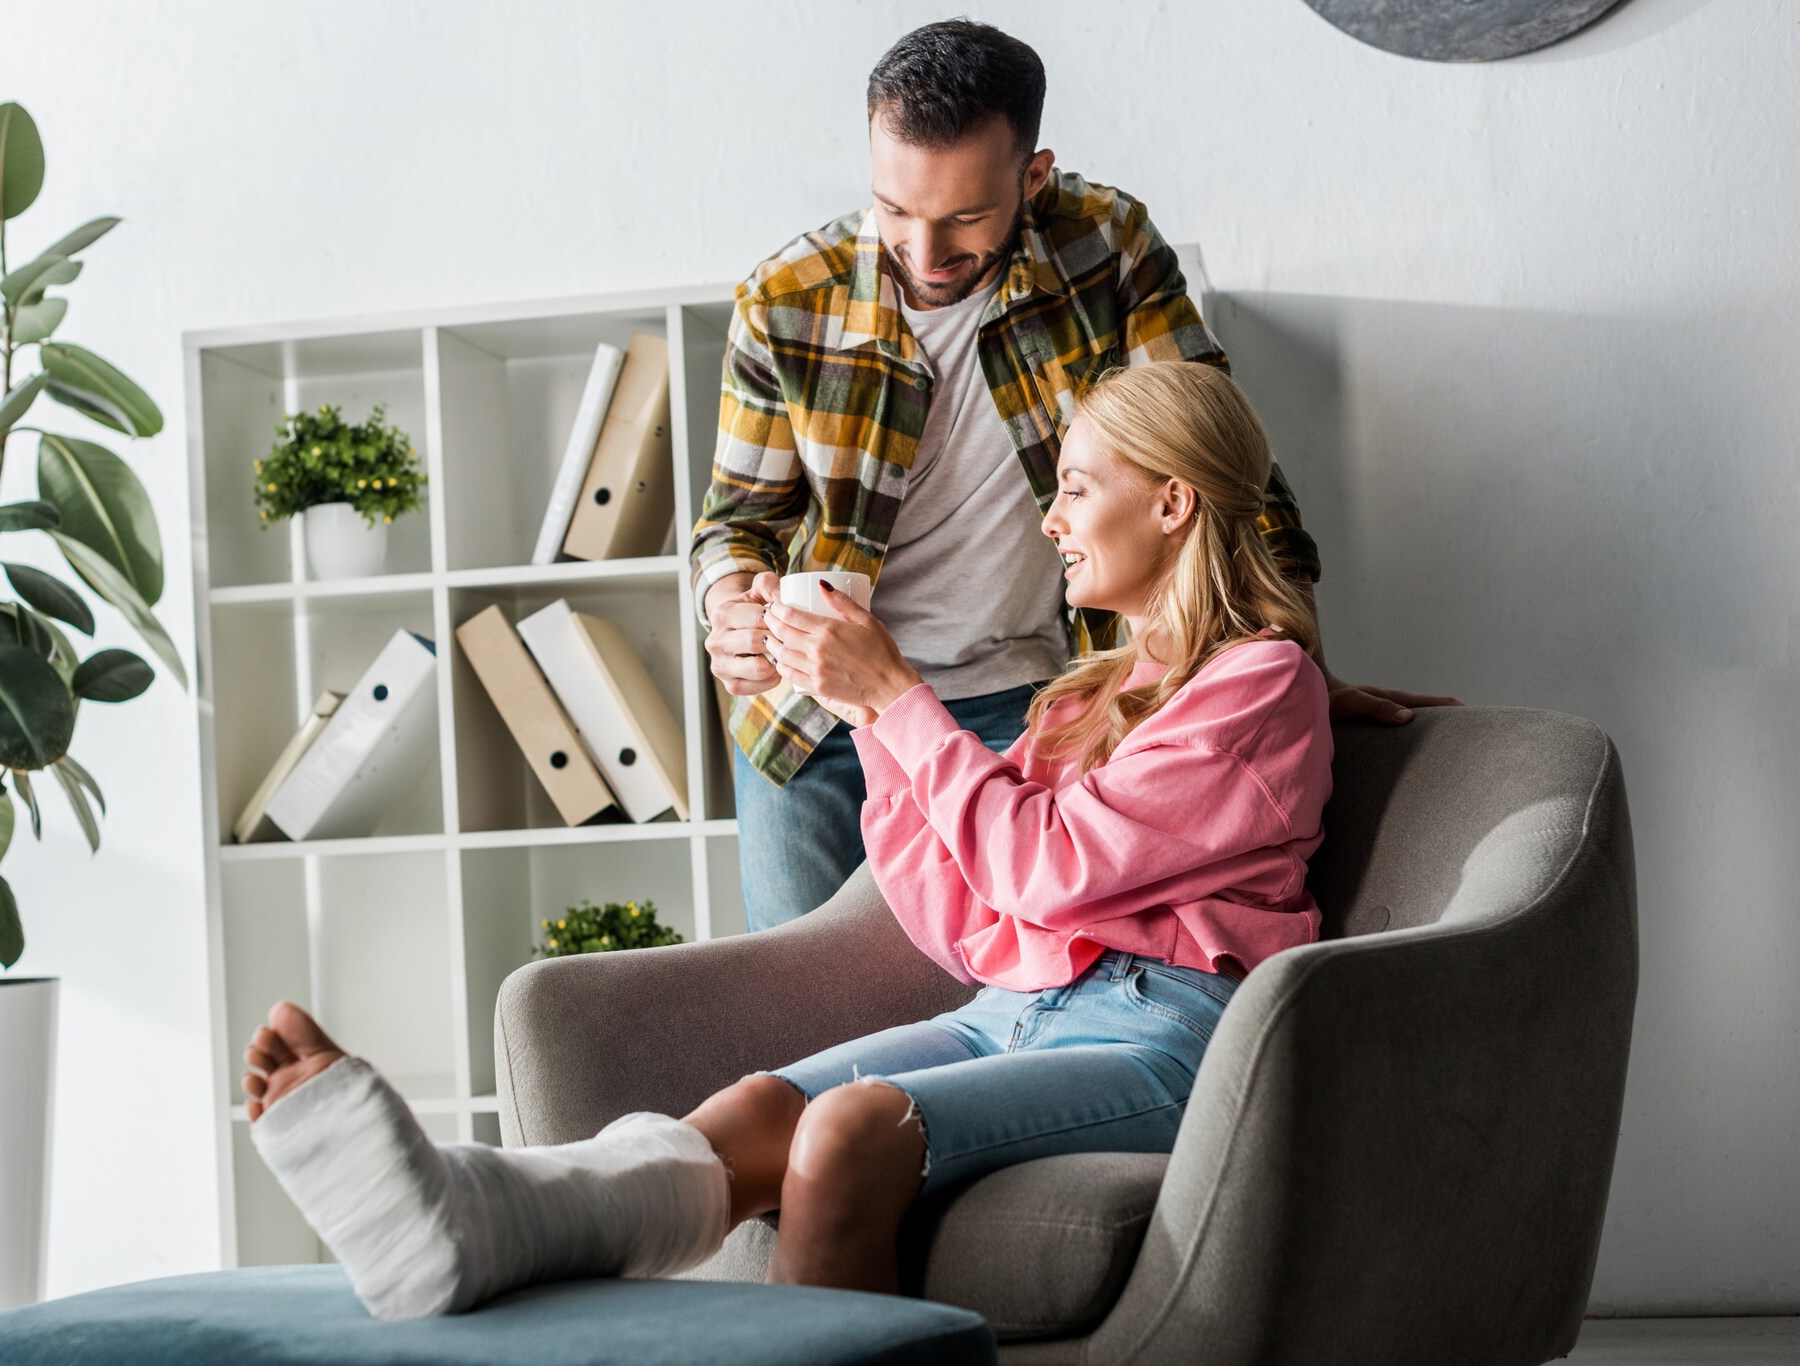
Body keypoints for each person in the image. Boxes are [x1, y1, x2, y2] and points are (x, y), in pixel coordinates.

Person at [243, 361, 1341, 1316]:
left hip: (1161, 1038)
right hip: (1008, 1008)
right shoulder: (1082, 699)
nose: (1050, 520)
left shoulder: (1261, 682)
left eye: (1076, 488)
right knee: (758, 1108)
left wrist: (900, 695)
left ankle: (481, 1223)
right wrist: (867, 714)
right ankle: (463, 1221)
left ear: (1172, 501)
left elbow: (1047, 865)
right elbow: (963, 915)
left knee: (845, 1132)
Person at [693, 20, 1455, 932]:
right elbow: (737, 523)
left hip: (1039, 707)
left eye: (965, 218)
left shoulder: (1107, 246)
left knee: (1021, 986)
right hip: (817, 717)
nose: (925, 254)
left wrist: (1296, 671)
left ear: (1034, 177)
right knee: (806, 993)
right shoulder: (783, 302)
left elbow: (1215, 461)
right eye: (895, 210)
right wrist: (730, 607)